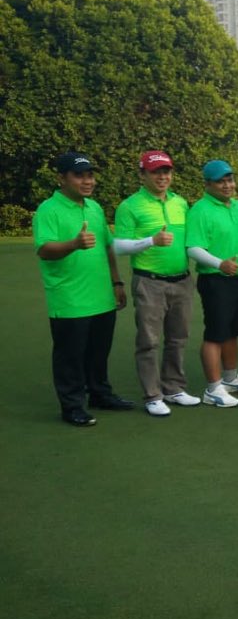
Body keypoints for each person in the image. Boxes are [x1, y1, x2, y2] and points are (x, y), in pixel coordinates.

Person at [34, 151, 132, 427]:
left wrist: (116, 282)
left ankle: (100, 394)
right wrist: (73, 244)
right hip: (70, 298)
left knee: (98, 352)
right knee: (70, 356)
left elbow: (107, 247)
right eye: (79, 175)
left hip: (101, 295)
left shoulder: (94, 208)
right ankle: (72, 405)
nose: (87, 181)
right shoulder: (48, 210)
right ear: (61, 178)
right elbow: (44, 250)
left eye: (90, 175)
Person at [114, 150, 197, 417]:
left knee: (178, 338)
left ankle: (174, 387)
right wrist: (151, 241)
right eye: (156, 172)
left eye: (166, 171)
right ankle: (152, 395)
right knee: (149, 341)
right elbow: (119, 246)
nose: (163, 177)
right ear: (143, 175)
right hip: (149, 282)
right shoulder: (130, 206)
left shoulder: (180, 203)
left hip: (181, 280)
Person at [185, 160, 238, 408]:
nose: (227, 185)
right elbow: (193, 247)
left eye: (230, 180)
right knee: (215, 334)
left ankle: (231, 377)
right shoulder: (200, 210)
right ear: (207, 184)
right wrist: (219, 264)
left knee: (232, 331)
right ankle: (213, 388)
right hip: (216, 279)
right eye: (220, 181)